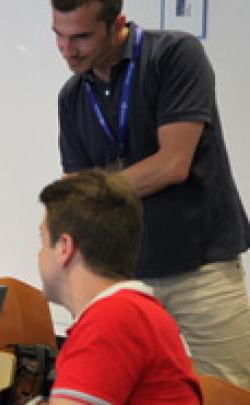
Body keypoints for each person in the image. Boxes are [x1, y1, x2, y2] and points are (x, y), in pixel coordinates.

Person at [51, 0, 250, 388]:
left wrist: (91, 189)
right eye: (58, 35)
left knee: (231, 389)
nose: (67, 49)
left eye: (82, 36)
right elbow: (77, 196)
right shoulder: (72, 95)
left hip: (200, 264)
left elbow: (172, 164)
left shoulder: (174, 55)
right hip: (121, 272)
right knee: (116, 388)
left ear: (116, 24)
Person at [37, 169, 201, 404]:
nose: (39, 255)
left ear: (65, 247)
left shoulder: (112, 320)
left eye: (42, 241)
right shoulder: (131, 311)